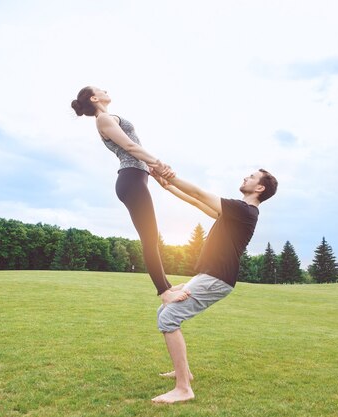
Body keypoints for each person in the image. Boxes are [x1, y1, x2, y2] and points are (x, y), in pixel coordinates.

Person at [149, 168, 278, 404]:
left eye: (251, 177)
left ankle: (184, 388)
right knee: (163, 311)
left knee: (169, 319)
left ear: (260, 188)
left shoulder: (245, 211)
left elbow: (199, 192)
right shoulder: (235, 214)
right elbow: (197, 202)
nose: (245, 177)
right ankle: (183, 372)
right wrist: (167, 186)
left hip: (217, 278)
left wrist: (167, 173)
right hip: (208, 275)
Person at [71, 87, 189, 304]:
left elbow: (133, 149)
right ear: (94, 98)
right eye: (100, 89)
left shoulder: (107, 117)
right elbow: (129, 146)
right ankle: (164, 292)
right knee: (150, 237)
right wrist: (159, 163)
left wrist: (153, 172)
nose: (105, 89)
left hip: (136, 178)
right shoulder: (103, 119)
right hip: (131, 180)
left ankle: (166, 286)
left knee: (152, 236)